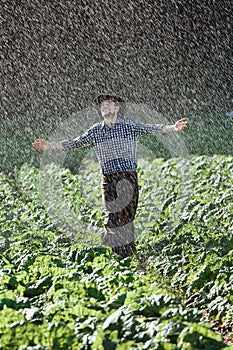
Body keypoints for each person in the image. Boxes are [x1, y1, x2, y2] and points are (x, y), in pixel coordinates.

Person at [32, 94, 187, 258]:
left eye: (108, 104)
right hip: (108, 178)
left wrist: (172, 127)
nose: (104, 108)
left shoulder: (129, 125)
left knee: (127, 214)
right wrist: (49, 146)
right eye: (102, 106)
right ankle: (116, 253)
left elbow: (152, 128)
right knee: (112, 215)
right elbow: (74, 143)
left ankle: (128, 249)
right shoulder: (96, 131)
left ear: (117, 108)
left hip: (128, 177)